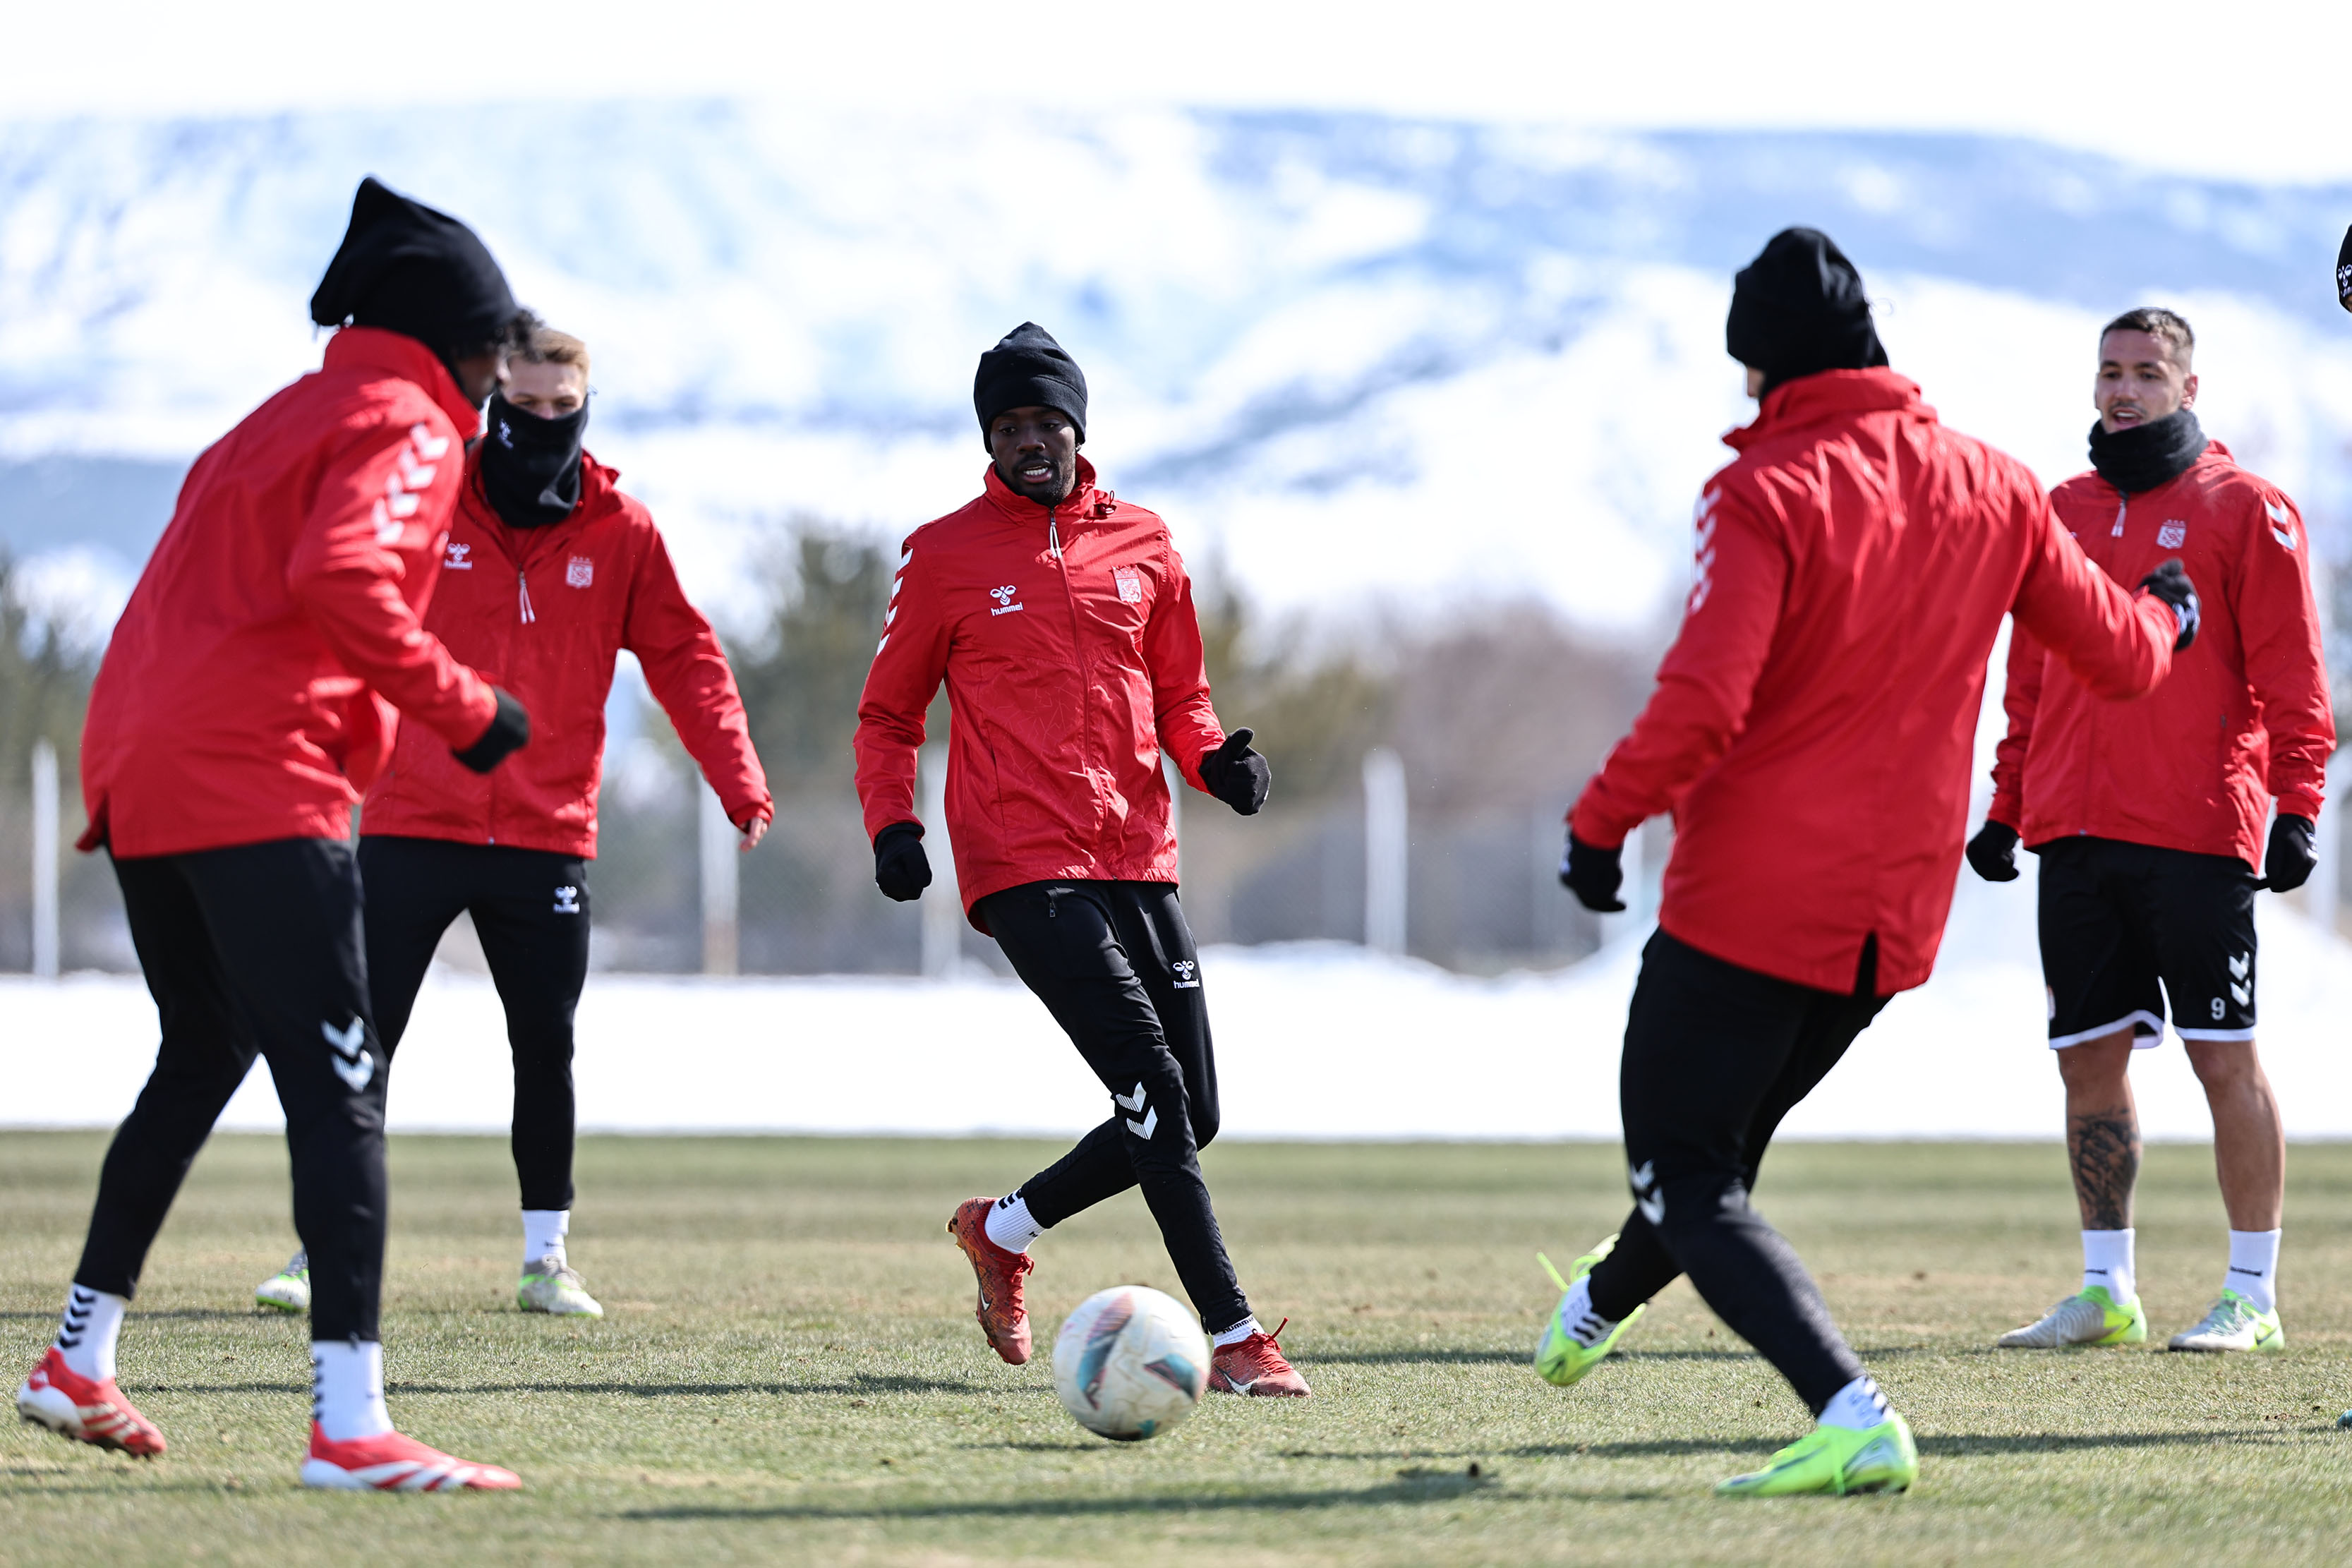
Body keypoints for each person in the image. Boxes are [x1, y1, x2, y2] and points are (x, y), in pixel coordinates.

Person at [1548, 229, 2197, 1497]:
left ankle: (1848, 1409)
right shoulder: (1994, 484)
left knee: (1680, 1164)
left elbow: (1704, 698)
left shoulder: (1764, 488)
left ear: (1764, 369)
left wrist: (1598, 821)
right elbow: (2120, 655)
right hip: (1890, 922)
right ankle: (1586, 1314)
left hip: (1748, 901)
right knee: (1712, 1160)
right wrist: (2169, 612)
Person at [16, 179, 536, 1490]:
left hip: (138, 775)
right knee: (342, 1091)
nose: (492, 380)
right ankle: (350, 1424)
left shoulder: (270, 421)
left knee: (204, 1049)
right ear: (451, 346)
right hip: (256, 781)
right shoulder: (408, 423)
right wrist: (466, 708)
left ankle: (78, 1355)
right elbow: (344, 577)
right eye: (488, 352)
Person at [250, 325, 774, 1321]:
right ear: (492, 399)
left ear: (584, 403)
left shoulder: (623, 529)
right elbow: (335, 611)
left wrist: (737, 778)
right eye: (521, 404)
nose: (540, 422)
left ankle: (546, 1260)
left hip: (546, 835)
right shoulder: (430, 492)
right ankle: (318, 1248)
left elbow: (687, 660)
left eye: (558, 405)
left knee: (546, 1045)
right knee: (361, 1035)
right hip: (411, 817)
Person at [852, 322, 1306, 1397]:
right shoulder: (945, 553)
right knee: (1148, 1081)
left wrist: (1215, 762)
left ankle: (1000, 1228)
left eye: (1045, 423)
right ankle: (1236, 1334)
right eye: (1008, 427)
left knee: (1190, 1112)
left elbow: (1181, 695)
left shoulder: (1146, 540)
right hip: (1023, 863)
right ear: (989, 440)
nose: (1029, 443)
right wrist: (894, 825)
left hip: (1138, 854)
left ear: (1077, 429)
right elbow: (886, 714)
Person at [1968, 308, 2331, 1356]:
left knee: (2224, 1058)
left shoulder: (2245, 509)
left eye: (2145, 372)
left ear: (2187, 385)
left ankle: (2250, 1295)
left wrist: (2297, 805)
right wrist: (2005, 804)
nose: (2123, 389)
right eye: (2109, 371)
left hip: (2195, 830)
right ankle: (2104, 1289)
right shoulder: (2058, 509)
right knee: (2086, 1060)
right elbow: (2027, 677)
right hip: (2073, 829)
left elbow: (2291, 677)